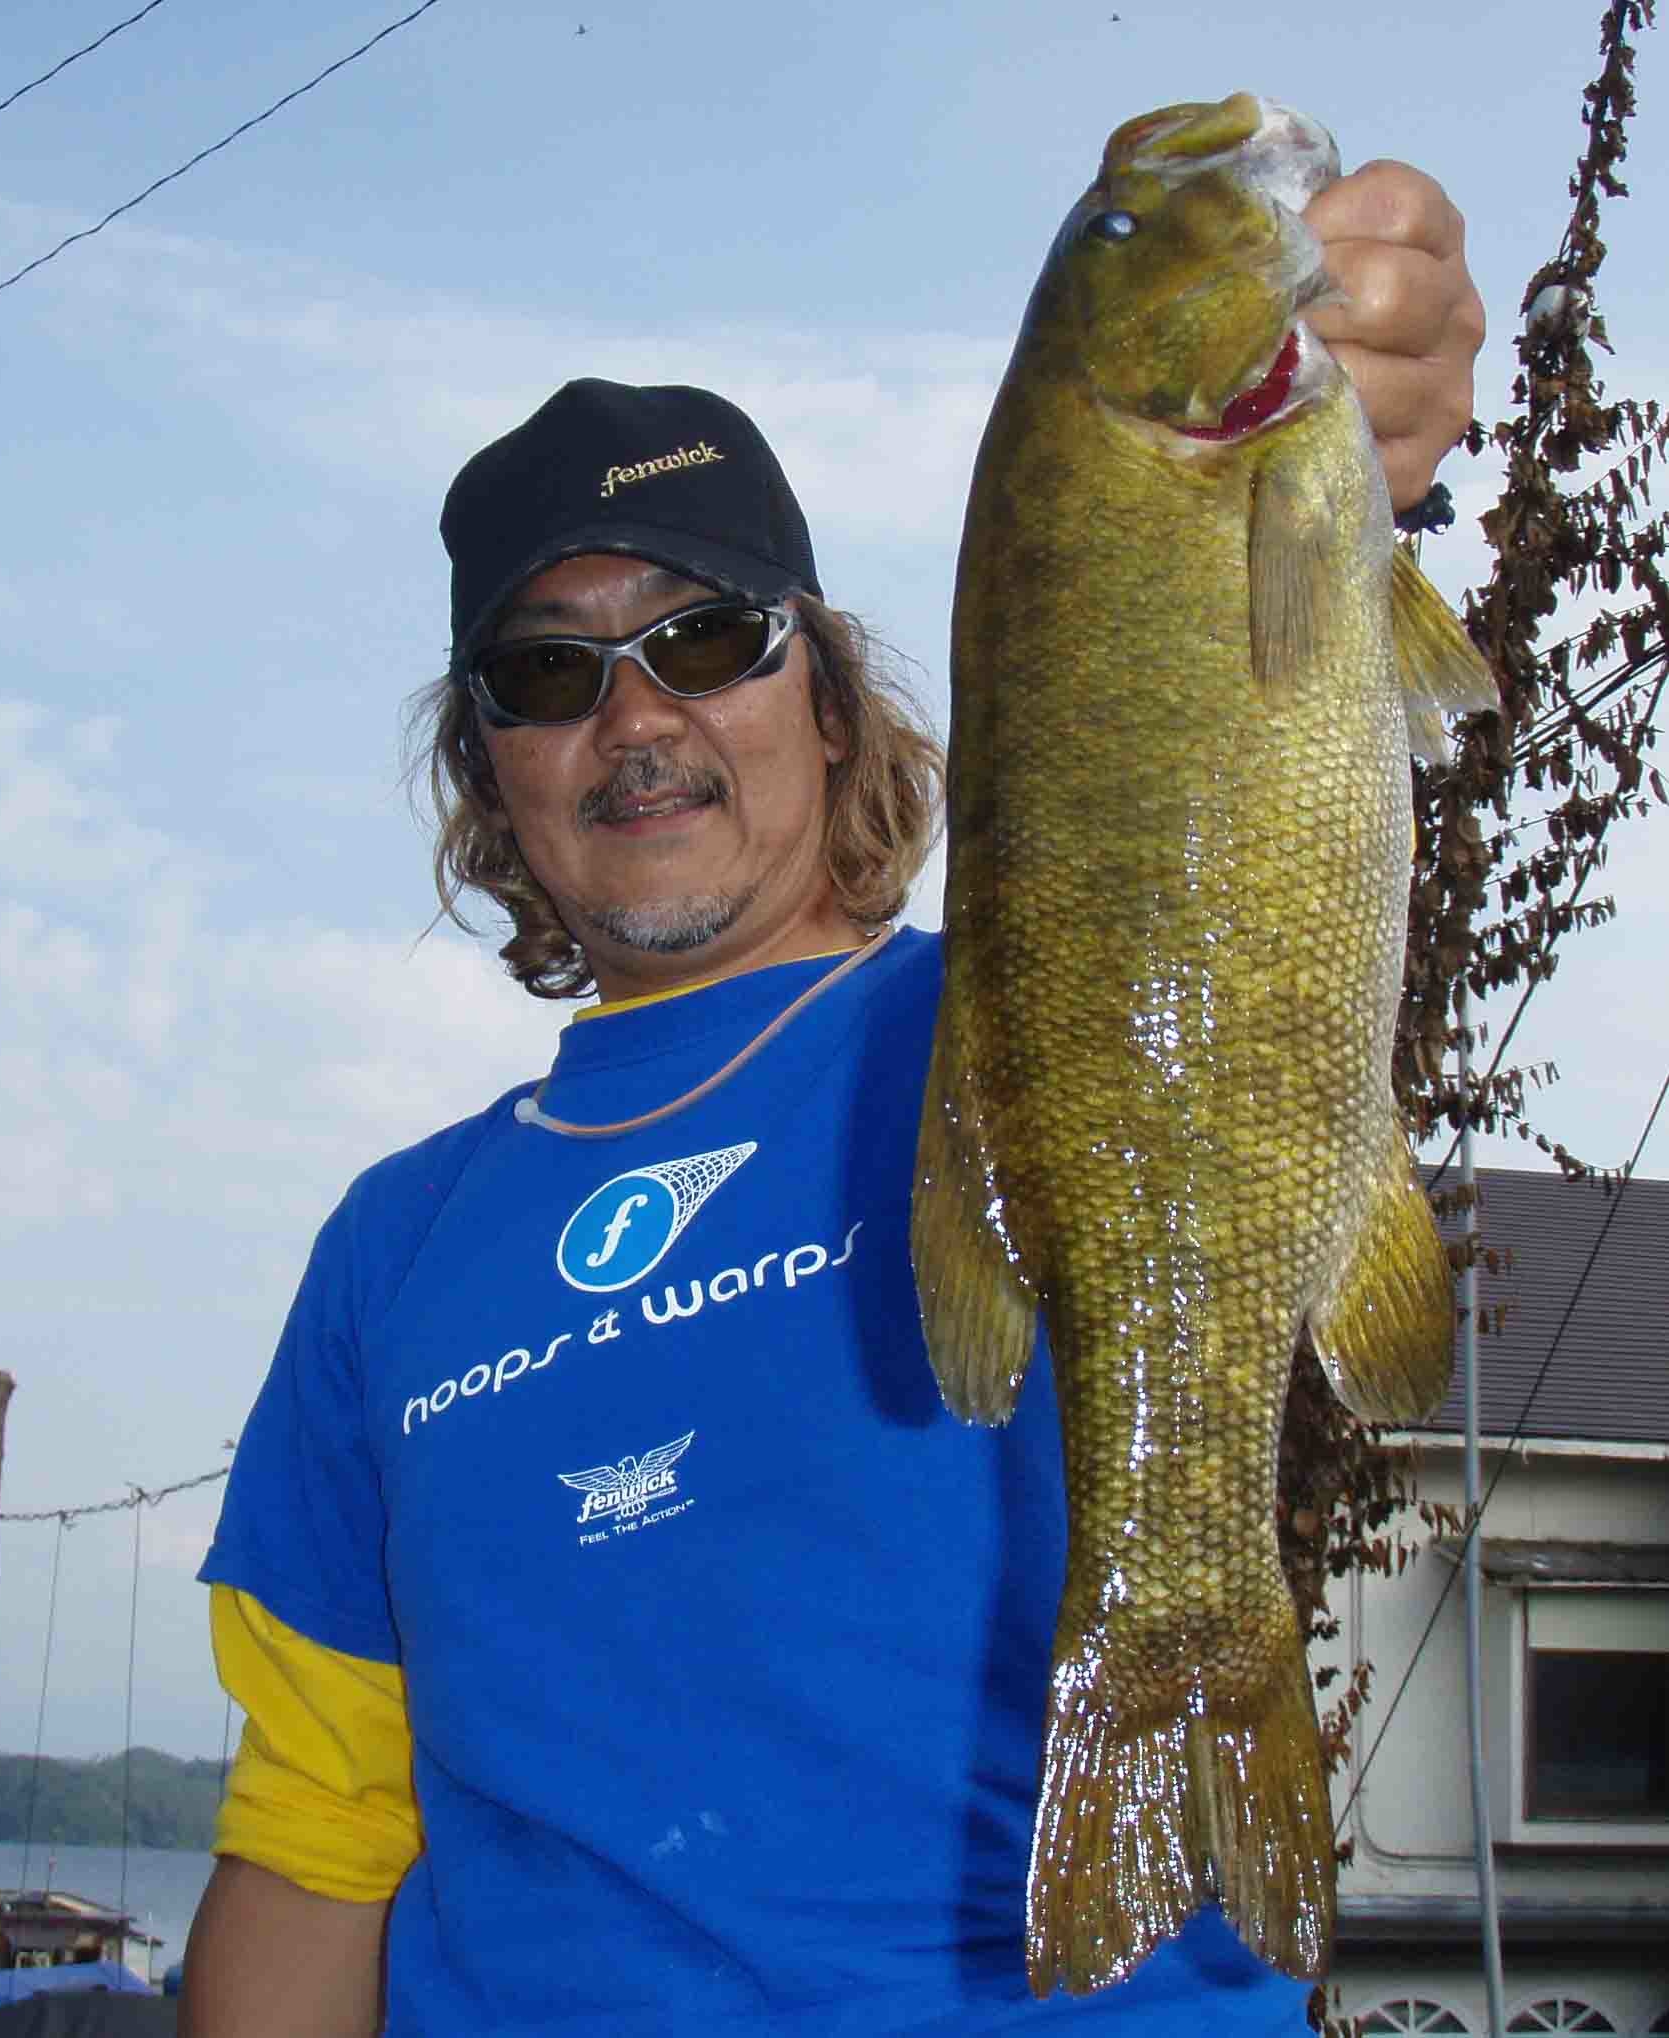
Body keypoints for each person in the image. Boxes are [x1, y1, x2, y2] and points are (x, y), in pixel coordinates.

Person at [180, 162, 1483, 2037]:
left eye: (706, 638)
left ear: (830, 696)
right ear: (489, 769)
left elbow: (1236, 793)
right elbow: (314, 1834)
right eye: (548, 671)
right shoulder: (391, 1249)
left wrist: (1355, 460)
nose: (637, 718)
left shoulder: (1035, 1010)